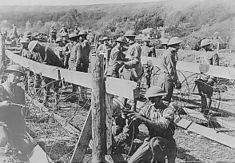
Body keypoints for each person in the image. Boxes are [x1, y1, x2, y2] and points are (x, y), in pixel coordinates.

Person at [127, 86, 177, 163]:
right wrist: (130, 117)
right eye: (150, 98)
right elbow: (136, 121)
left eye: (154, 98)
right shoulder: (147, 109)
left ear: (160, 97)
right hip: (150, 140)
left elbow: (162, 127)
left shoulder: (168, 110)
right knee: (132, 161)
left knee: (156, 143)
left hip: (167, 142)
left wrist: (141, 118)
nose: (151, 100)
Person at [0, 65, 36, 161]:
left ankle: (13, 145)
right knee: (2, 139)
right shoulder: (1, 88)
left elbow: (22, 109)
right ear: (8, 74)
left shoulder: (20, 91)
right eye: (15, 75)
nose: (17, 78)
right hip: (2, 124)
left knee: (28, 147)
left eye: (19, 76)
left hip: (15, 125)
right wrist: (2, 105)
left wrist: (26, 111)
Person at [28, 41, 63, 108]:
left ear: (37, 46)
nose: (35, 51)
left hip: (56, 69)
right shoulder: (39, 52)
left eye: (35, 49)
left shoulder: (46, 50)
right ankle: (45, 101)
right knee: (46, 86)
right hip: (48, 70)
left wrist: (41, 66)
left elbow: (47, 62)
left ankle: (57, 104)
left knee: (56, 87)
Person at [195, 38, 219, 115]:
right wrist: (197, 76)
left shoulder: (214, 54)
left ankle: (206, 110)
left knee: (208, 95)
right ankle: (203, 109)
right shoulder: (200, 54)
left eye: (206, 46)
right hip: (201, 77)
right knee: (202, 94)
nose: (204, 48)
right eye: (203, 46)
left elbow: (216, 68)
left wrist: (212, 78)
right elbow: (197, 66)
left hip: (208, 78)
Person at [156, 37, 182, 105]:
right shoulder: (169, 54)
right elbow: (171, 70)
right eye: (178, 45)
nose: (179, 47)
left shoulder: (168, 53)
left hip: (164, 77)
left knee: (161, 97)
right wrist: (177, 82)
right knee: (165, 99)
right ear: (174, 45)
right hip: (166, 79)